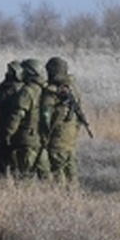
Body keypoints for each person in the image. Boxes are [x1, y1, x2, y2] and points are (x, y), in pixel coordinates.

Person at [41, 56, 87, 185]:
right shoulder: (73, 89)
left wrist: (44, 134)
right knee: (71, 167)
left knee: (57, 170)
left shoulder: (51, 92)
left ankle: (60, 197)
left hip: (57, 136)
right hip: (71, 136)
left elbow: (45, 116)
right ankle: (74, 195)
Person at [0, 59, 47, 180]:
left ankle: (27, 198)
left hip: (26, 140)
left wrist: (6, 133)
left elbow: (17, 114)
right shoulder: (45, 90)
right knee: (46, 177)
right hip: (42, 139)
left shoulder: (27, 91)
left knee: (26, 176)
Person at [0, 61, 22, 180]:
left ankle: (2, 188)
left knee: (0, 169)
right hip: (15, 134)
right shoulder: (23, 92)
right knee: (16, 169)